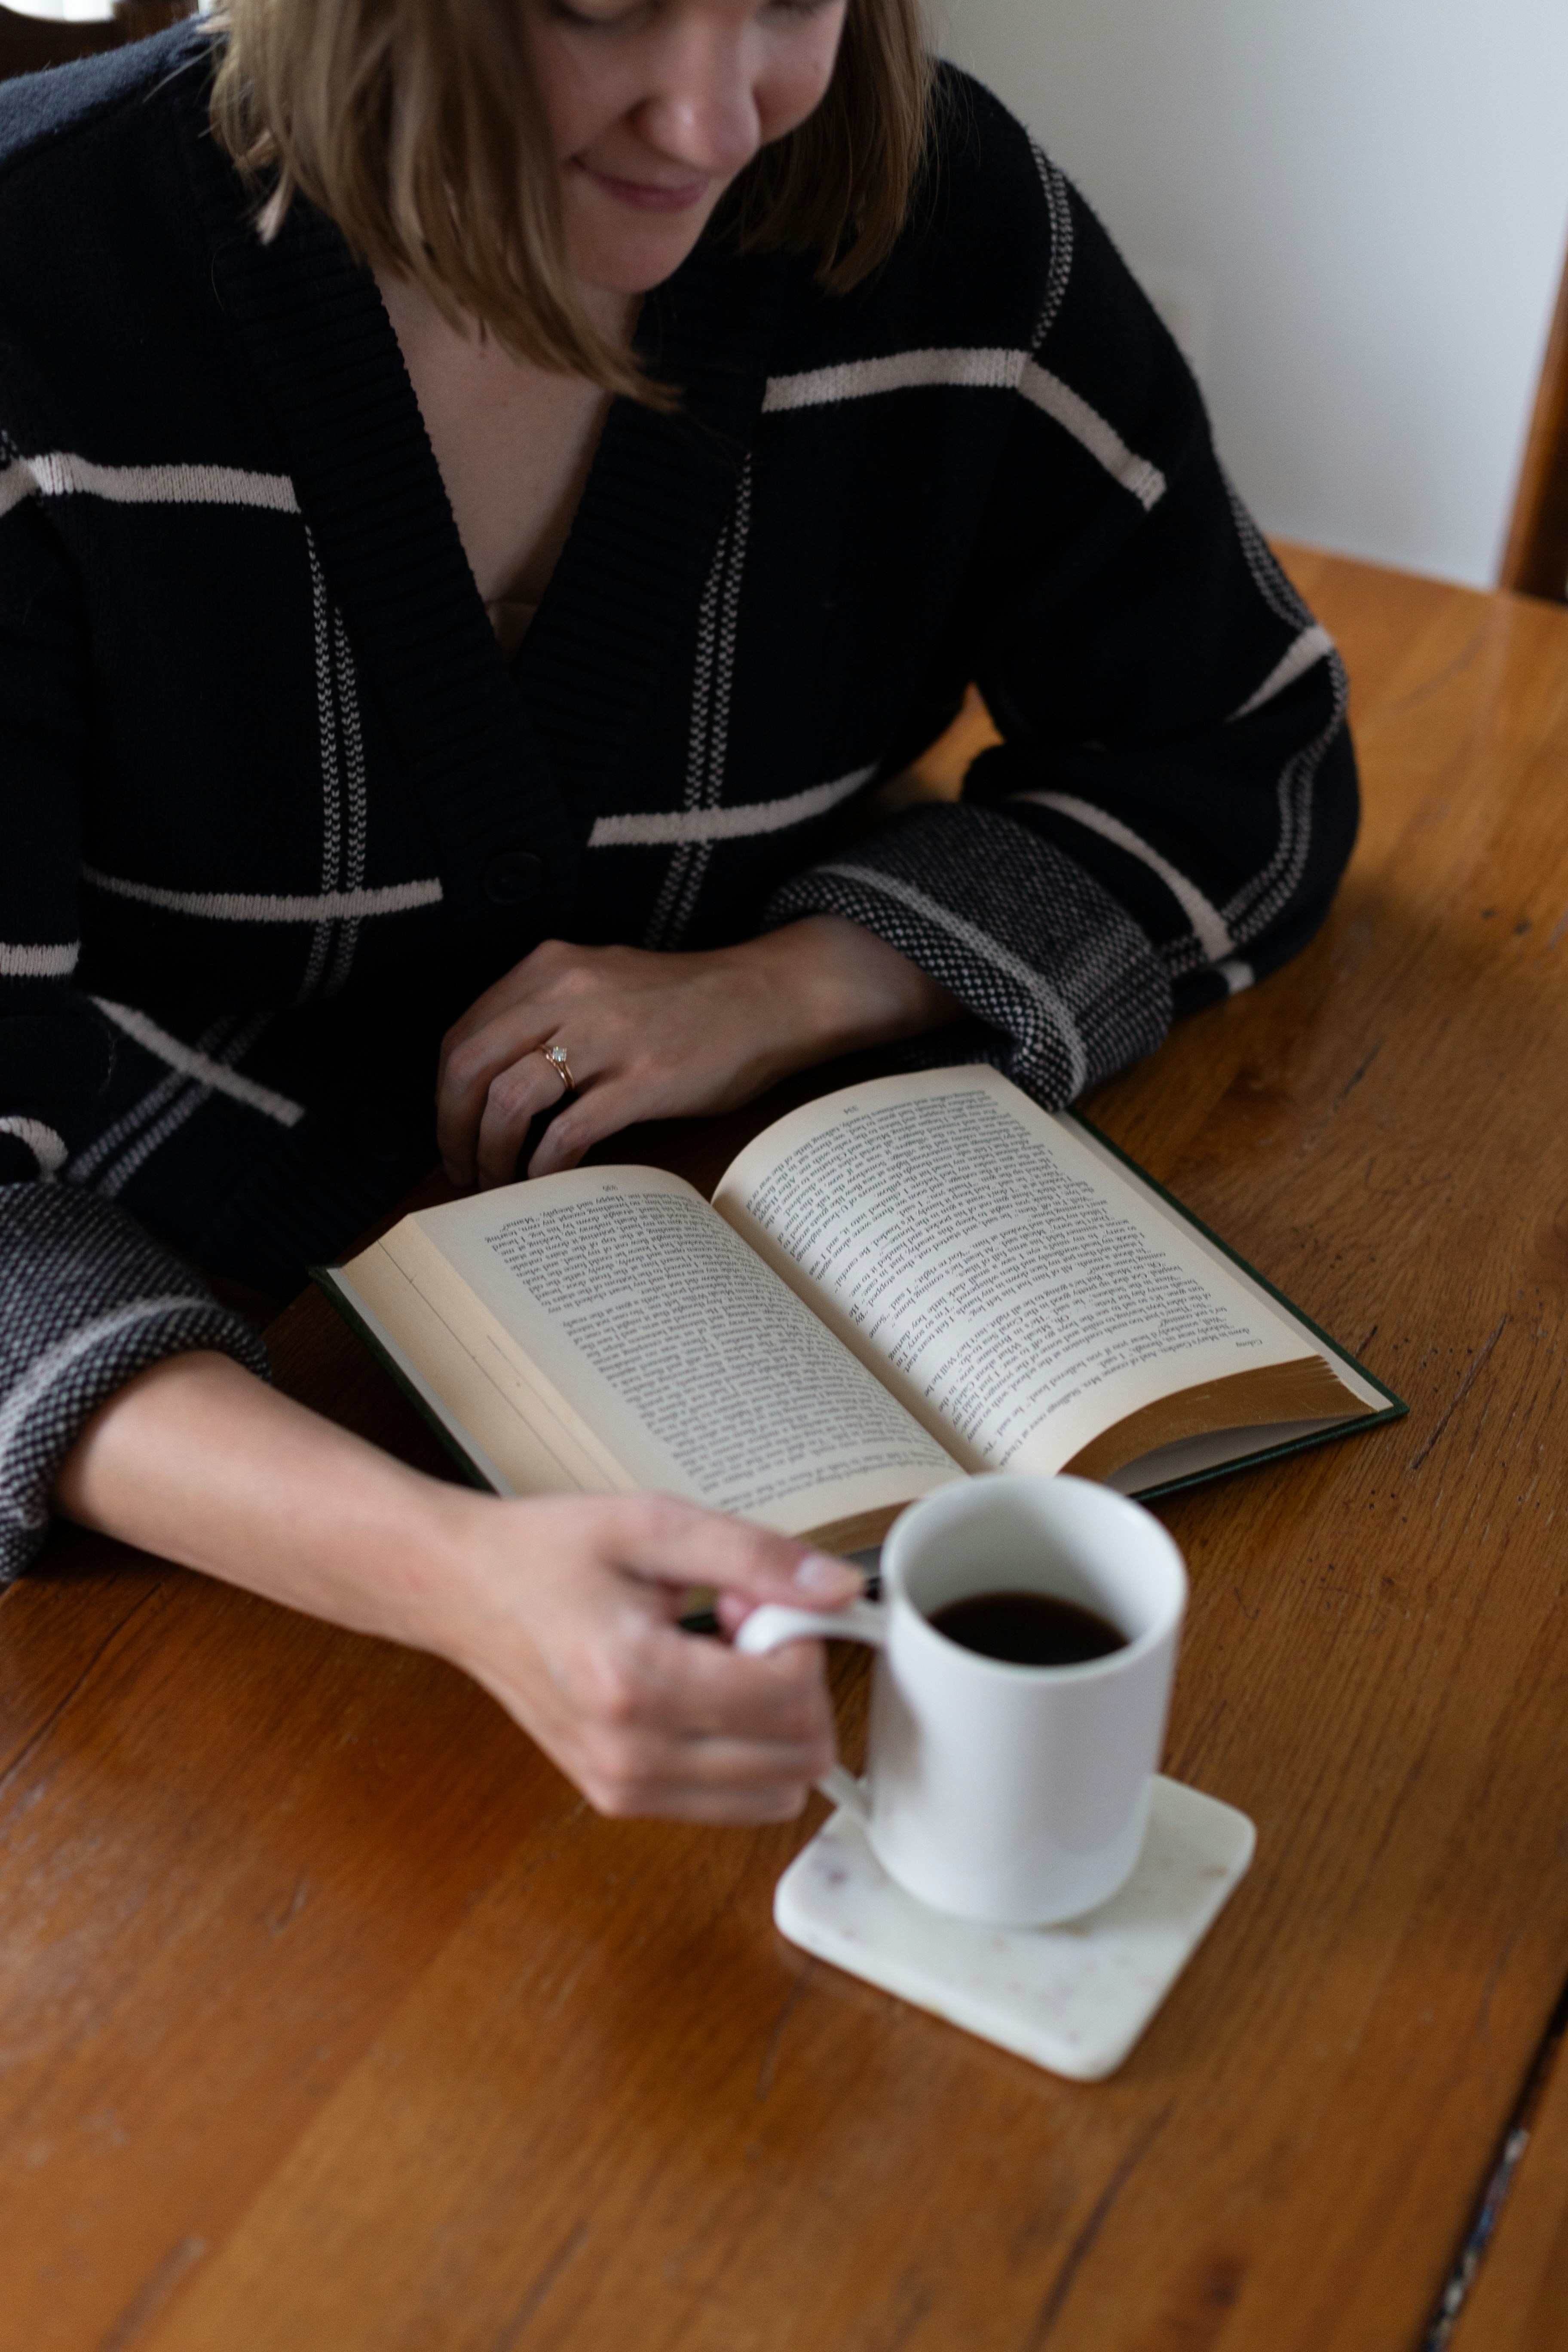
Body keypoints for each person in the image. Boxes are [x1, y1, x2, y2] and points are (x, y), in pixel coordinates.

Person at [0, 0, 1357, 1822]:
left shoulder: (950, 225)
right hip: (202, 1512)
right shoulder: (38, 288)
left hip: (767, 1285)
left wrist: (804, 978)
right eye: (604, 1)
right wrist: (457, 1578)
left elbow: (1244, 746)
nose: (718, 116)